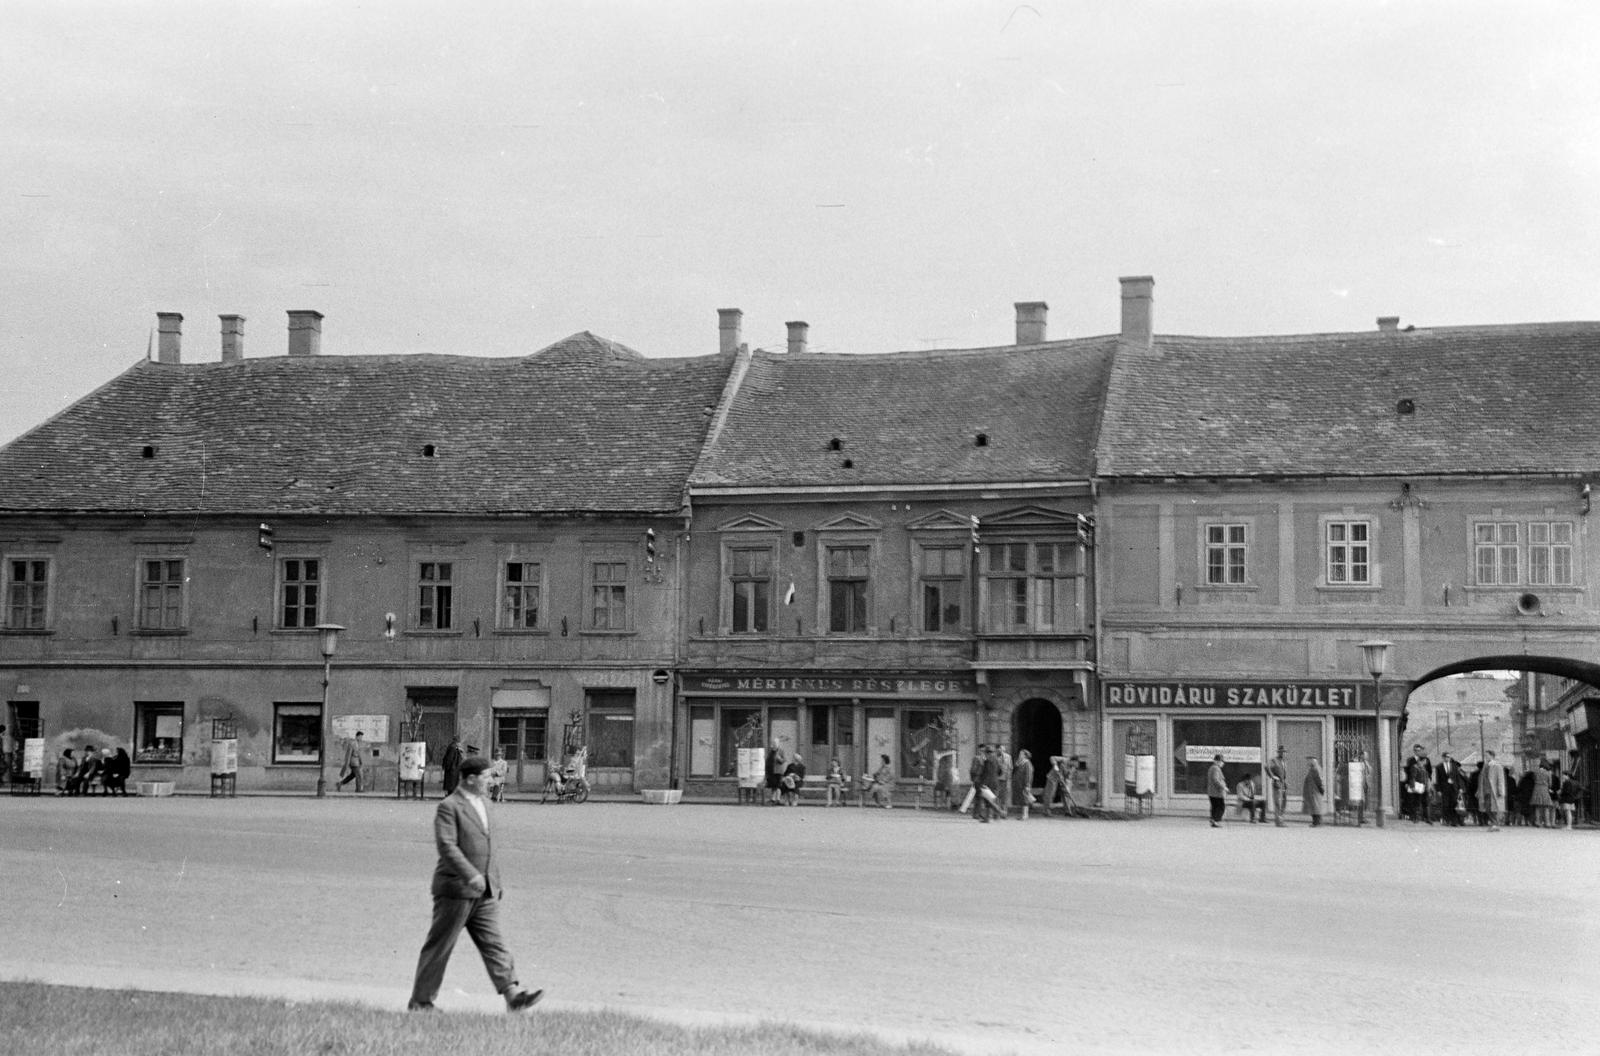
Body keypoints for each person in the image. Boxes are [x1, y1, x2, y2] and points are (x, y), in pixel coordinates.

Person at [408, 756, 544, 1014]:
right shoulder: (449, 806)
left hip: (486, 892)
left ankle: (512, 994)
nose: (490, 781)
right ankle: (421, 1001)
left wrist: (495, 882)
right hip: (456, 891)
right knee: (440, 946)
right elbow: (447, 846)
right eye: (486, 776)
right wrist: (470, 875)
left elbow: (490, 847)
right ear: (470, 779)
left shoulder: (487, 804)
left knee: (494, 943)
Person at [1478, 749, 1505, 830]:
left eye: (1487, 755)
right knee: (1486, 807)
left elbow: (1500, 779)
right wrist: (1479, 790)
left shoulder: (1497, 766)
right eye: (1485, 755)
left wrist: (1501, 790)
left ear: (1492, 756)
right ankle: (1494, 823)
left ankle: (1495, 823)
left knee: (1493, 807)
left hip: (1493, 790)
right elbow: (1481, 779)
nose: (1486, 757)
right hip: (1485, 790)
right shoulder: (1485, 766)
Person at [1263, 745, 1289, 827]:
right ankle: (1278, 822)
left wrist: (1285, 781)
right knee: (1278, 803)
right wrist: (1272, 776)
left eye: (1285, 752)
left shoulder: (1284, 761)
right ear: (1279, 752)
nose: (1284, 753)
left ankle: (1282, 819)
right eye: (1282, 752)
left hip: (1283, 784)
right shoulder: (1274, 760)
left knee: (1284, 802)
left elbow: (1284, 773)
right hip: (1277, 784)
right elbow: (1266, 766)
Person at [974, 745, 1000, 822]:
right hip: (995, 782)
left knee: (988, 800)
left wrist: (983, 783)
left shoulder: (987, 761)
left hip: (988, 784)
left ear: (987, 753)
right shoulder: (996, 760)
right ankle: (996, 816)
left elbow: (986, 774)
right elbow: (1000, 771)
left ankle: (989, 817)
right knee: (993, 799)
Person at [1435, 751, 1462, 826]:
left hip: (1453, 788)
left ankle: (1454, 821)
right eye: (1446, 757)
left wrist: (1460, 787)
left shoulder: (1454, 766)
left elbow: (1457, 777)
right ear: (1443, 758)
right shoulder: (1439, 767)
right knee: (1446, 804)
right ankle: (1447, 820)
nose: (1447, 758)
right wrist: (1438, 790)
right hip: (1444, 788)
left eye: (1449, 757)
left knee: (1453, 803)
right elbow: (1438, 779)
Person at [1528, 759, 1555, 828]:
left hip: (1536, 789)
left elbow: (1533, 780)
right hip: (1544, 789)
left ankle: (1537, 822)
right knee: (1546, 807)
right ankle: (1547, 823)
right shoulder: (1548, 773)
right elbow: (1550, 784)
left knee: (1537, 807)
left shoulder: (1535, 772)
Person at [1350, 749, 1373, 826]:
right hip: (1358, 785)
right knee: (1359, 802)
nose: (1367, 756)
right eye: (1365, 755)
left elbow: (1370, 771)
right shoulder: (1356, 762)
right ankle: (1358, 819)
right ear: (1361, 755)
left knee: (1363, 802)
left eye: (1367, 755)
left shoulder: (1365, 763)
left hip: (1365, 784)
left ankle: (1362, 817)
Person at [1303, 756, 1326, 827]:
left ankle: (1317, 822)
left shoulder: (1315, 769)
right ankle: (1315, 822)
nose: (1308, 762)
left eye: (1309, 761)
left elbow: (1319, 780)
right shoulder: (1312, 769)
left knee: (1316, 807)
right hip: (1312, 792)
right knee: (1314, 807)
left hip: (1315, 792)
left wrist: (1321, 789)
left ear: (1313, 761)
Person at [1205, 753, 1227, 828]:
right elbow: (1216, 780)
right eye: (1222, 762)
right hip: (1217, 792)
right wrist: (1223, 787)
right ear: (1217, 761)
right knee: (1221, 807)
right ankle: (1216, 820)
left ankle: (1213, 820)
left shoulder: (1212, 768)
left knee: (1215, 807)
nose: (1223, 763)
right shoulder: (1216, 768)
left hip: (1212, 792)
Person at [1013, 748, 1036, 819]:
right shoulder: (1020, 763)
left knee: (1024, 800)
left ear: (1025, 755)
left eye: (1021, 754)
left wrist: (1027, 785)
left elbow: (1028, 775)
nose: (1020, 755)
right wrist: (1016, 765)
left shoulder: (1027, 763)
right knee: (1023, 799)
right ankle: (1024, 814)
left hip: (1024, 784)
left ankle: (1025, 815)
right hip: (1019, 784)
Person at [765, 741, 787, 806]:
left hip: (778, 771)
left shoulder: (781, 751)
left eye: (775, 744)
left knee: (778, 786)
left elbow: (784, 760)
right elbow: (768, 759)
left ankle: (778, 799)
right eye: (773, 744)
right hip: (771, 771)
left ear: (778, 744)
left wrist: (779, 759)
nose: (773, 745)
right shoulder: (771, 751)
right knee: (773, 785)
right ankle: (773, 799)